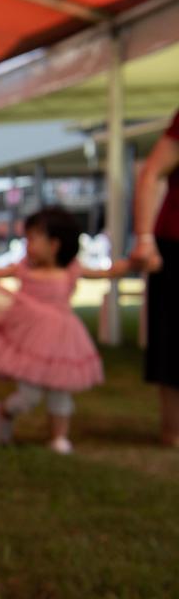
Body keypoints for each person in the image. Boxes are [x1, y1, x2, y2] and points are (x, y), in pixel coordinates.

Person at [0, 208, 136, 454]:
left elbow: (107, 272)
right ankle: (2, 412)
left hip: (62, 341)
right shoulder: (24, 269)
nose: (27, 245)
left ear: (54, 244)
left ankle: (58, 437)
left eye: (32, 239)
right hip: (29, 340)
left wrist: (133, 263)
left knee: (60, 392)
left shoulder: (71, 270)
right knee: (29, 394)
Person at [130, 108, 179, 447]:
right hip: (175, 242)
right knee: (174, 341)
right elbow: (151, 174)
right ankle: (173, 431)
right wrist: (145, 239)